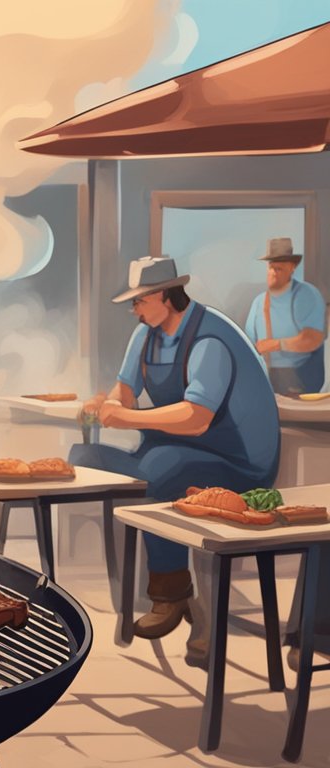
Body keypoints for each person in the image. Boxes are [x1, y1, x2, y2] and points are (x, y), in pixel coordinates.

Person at [72, 256, 279, 668]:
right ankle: (156, 592)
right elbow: (124, 393)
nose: (134, 310)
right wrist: (107, 403)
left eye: (140, 301)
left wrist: (125, 417)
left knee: (160, 468)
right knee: (87, 457)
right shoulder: (145, 335)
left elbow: (196, 418)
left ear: (165, 296)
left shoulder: (208, 340)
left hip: (237, 459)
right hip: (178, 448)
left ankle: (172, 594)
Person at [243, 236, 326, 395]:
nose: (273, 273)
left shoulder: (306, 295)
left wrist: (275, 344)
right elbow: (250, 346)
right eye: (271, 267)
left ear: (292, 267)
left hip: (302, 380)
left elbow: (313, 338)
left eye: (279, 268)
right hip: (267, 380)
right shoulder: (259, 303)